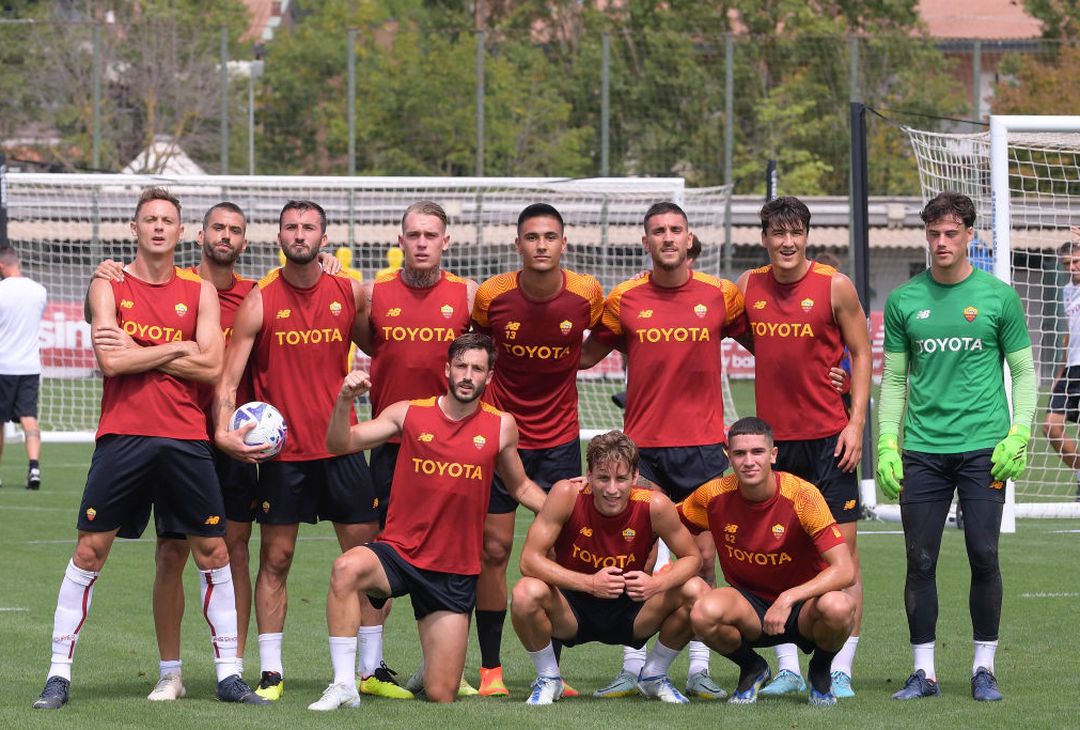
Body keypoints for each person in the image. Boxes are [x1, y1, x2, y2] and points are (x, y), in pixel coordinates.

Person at [32, 187, 265, 709]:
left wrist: (142, 348)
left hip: (186, 437)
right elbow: (111, 362)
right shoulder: (108, 282)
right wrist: (180, 346)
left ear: (181, 232)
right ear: (134, 228)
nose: (159, 227)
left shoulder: (200, 290)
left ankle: (229, 675)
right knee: (89, 551)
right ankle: (58, 675)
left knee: (214, 552)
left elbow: (212, 367)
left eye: (167, 220)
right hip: (123, 435)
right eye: (150, 219)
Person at [308, 333, 546, 710]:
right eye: (461, 366)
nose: (467, 375)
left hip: (453, 569)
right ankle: (343, 685)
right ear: (447, 369)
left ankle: (431, 667)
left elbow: (521, 487)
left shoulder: (501, 426)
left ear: (489, 376)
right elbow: (340, 443)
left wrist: (566, 510)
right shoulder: (408, 413)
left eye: (477, 369)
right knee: (345, 568)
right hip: (399, 553)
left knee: (441, 693)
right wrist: (344, 401)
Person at [580, 201, 745, 700]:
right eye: (658, 231)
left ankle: (696, 667)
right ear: (645, 241)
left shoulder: (721, 295)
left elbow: (772, 346)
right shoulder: (624, 298)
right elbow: (583, 355)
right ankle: (633, 667)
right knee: (639, 558)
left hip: (702, 448)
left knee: (703, 559)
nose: (668, 237)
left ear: (690, 238)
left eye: (676, 229)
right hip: (643, 450)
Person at [214, 199, 377, 702]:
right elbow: (229, 379)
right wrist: (222, 430)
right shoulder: (261, 299)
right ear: (279, 236)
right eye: (291, 227)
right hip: (282, 457)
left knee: (367, 559)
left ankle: (370, 669)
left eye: (309, 228)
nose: (299, 234)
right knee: (276, 560)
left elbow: (381, 346)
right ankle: (271, 672)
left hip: (342, 445)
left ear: (324, 239)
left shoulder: (349, 290)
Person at [876, 191, 1036, 702]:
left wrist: (1019, 433)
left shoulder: (998, 298)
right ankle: (923, 673)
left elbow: (1024, 372)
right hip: (923, 450)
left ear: (969, 235)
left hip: (985, 449)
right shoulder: (904, 301)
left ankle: (983, 669)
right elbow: (894, 380)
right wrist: (887, 443)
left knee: (984, 554)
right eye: (933, 233)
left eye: (951, 233)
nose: (941, 242)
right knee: (919, 559)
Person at [736, 196, 871, 699]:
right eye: (778, 233)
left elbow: (861, 352)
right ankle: (788, 666)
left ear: (807, 236)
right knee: (780, 552)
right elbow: (755, 340)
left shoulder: (835, 285)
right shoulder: (747, 286)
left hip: (830, 441)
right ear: (765, 238)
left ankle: (841, 668)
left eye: (796, 232)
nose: (787, 242)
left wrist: (855, 423)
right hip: (774, 447)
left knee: (843, 554)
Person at [469, 202, 603, 696]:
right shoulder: (492, 294)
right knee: (494, 549)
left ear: (564, 243)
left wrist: (575, 361)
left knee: (558, 551)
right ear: (518, 244)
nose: (541, 245)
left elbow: (606, 336)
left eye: (549, 237)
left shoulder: (587, 292)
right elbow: (476, 350)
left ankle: (553, 673)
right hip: (501, 437)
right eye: (531, 237)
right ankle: (491, 671)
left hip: (561, 440)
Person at [352, 200, 476, 698]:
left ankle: (442, 665)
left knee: (455, 554)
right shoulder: (373, 294)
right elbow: (364, 341)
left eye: (431, 235)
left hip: (456, 453)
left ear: (446, 242)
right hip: (393, 447)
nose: (422, 243)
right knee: (383, 552)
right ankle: (371, 668)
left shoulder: (468, 295)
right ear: (399, 240)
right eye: (414, 235)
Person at [511, 430, 709, 705]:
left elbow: (693, 558)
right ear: (589, 475)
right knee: (525, 592)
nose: (612, 489)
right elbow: (529, 560)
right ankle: (549, 678)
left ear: (635, 476)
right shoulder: (567, 494)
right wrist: (590, 583)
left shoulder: (654, 505)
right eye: (603, 478)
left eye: (621, 479)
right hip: (571, 610)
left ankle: (654, 675)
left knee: (696, 589)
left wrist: (655, 584)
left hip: (633, 610)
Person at [684, 416, 856, 707]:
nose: (749, 461)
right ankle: (753, 668)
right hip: (749, 606)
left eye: (757, 452)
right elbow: (664, 519)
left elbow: (845, 570)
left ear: (773, 454)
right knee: (702, 613)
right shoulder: (712, 495)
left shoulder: (803, 496)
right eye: (739, 453)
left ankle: (820, 671)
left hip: (804, 608)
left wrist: (788, 598)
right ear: (728, 457)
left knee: (839, 607)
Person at [0, 245, 46, 490]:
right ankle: (34, 468)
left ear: (1, 266)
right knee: (29, 418)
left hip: (3, 365)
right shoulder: (39, 291)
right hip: (29, 366)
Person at [1041, 240, 1080, 500]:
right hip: (1071, 370)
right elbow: (1069, 334)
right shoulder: (1067, 290)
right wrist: (1059, 373)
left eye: (1077, 261)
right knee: (1050, 427)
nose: (1073, 267)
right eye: (1067, 263)